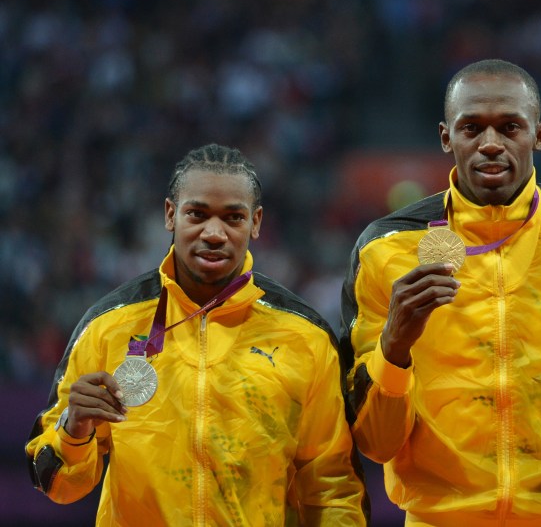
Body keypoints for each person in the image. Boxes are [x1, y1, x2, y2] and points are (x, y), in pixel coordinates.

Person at [341, 59, 541, 526]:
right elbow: (375, 444)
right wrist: (394, 348)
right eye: (472, 128)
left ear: (540, 134)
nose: (491, 144)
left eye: (510, 127)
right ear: (446, 137)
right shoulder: (385, 250)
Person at [26, 144, 369, 525]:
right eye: (197, 214)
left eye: (233, 218)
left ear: (256, 223)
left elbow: (333, 486)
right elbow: (56, 484)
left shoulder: (305, 336)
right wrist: (74, 432)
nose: (214, 233)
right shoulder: (108, 326)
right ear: (171, 215)